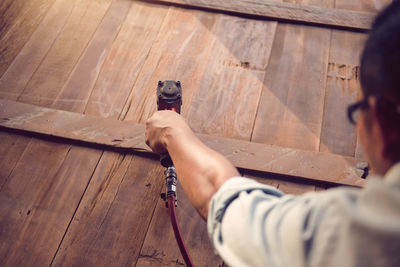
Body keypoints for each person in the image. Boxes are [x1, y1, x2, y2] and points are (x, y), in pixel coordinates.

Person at [145, 2, 400, 266]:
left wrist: (171, 130)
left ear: (383, 123)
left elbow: (224, 203)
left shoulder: (360, 235)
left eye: (358, 111)